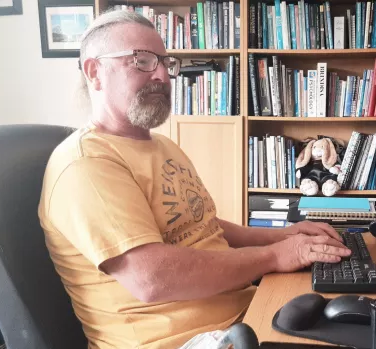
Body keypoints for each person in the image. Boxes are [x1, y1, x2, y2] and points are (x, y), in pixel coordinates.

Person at [38, 10, 351, 349]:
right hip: (181, 341)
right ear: (95, 72)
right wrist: (276, 255)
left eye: (165, 62)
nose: (161, 74)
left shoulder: (162, 146)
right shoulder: (86, 163)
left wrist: (281, 236)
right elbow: (151, 278)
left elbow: (204, 226)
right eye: (141, 61)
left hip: (241, 317)